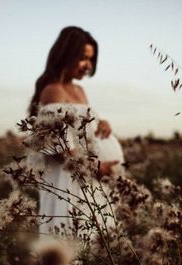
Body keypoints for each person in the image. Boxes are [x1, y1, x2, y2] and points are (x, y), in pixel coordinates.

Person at [28, 26, 124, 236]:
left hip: (90, 180)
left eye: (91, 59)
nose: (88, 66)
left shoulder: (79, 90)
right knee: (73, 238)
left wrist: (102, 122)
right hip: (69, 179)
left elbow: (83, 127)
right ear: (66, 55)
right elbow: (58, 144)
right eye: (82, 58)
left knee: (96, 240)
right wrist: (95, 166)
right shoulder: (52, 90)